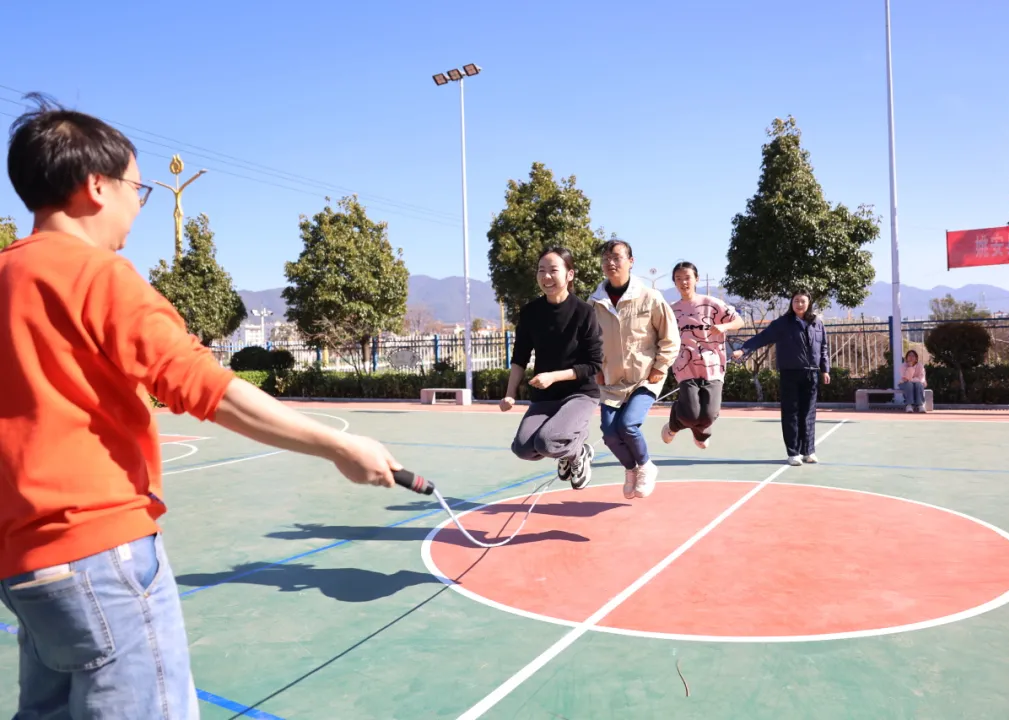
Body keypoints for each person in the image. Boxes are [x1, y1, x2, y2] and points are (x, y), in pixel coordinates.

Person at [0, 95, 402, 718]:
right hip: (102, 555)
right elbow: (207, 386)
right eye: (138, 188)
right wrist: (340, 445)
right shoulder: (99, 276)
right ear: (97, 186)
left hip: (23, 567)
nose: (139, 205)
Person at [502, 247, 603, 489]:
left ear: (570, 274)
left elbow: (593, 364)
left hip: (580, 394)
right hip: (545, 396)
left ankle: (578, 452)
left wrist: (553, 377)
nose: (546, 276)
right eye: (541, 270)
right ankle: (569, 451)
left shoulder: (585, 312)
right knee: (523, 448)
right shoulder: (530, 313)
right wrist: (510, 393)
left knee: (547, 442)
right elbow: (519, 357)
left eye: (553, 270)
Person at [588, 239, 680, 499]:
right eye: (606, 258)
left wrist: (660, 367)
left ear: (631, 261)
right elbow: (589, 343)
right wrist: (597, 371)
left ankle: (647, 466)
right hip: (611, 381)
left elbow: (670, 337)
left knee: (628, 425)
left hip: (645, 378)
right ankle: (631, 469)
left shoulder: (650, 297)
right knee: (609, 433)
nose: (610, 263)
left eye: (617, 257)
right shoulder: (594, 303)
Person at [731, 290, 831, 465]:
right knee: (791, 413)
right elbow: (762, 337)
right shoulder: (783, 323)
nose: (799, 304)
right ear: (791, 303)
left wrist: (825, 370)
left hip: (811, 373)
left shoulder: (817, 323)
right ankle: (793, 453)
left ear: (809, 303)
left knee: (808, 414)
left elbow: (823, 348)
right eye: (796, 301)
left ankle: (808, 451)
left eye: (803, 301)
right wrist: (743, 349)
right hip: (790, 373)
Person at [661, 262, 744, 449]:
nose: (683, 282)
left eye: (687, 278)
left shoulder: (712, 303)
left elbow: (739, 321)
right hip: (685, 365)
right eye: (678, 279)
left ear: (696, 279)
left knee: (710, 414)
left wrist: (724, 326)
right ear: (674, 282)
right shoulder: (670, 310)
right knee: (690, 414)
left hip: (713, 365)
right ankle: (674, 425)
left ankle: (700, 432)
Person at [899, 349, 928, 413]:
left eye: (913, 356)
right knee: (909, 384)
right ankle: (909, 405)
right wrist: (910, 367)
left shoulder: (920, 366)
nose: (911, 357)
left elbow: (921, 378)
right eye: (909, 355)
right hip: (904, 383)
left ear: (916, 358)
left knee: (918, 384)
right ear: (906, 358)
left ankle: (920, 405)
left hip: (918, 383)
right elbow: (905, 378)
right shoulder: (903, 366)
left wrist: (911, 380)